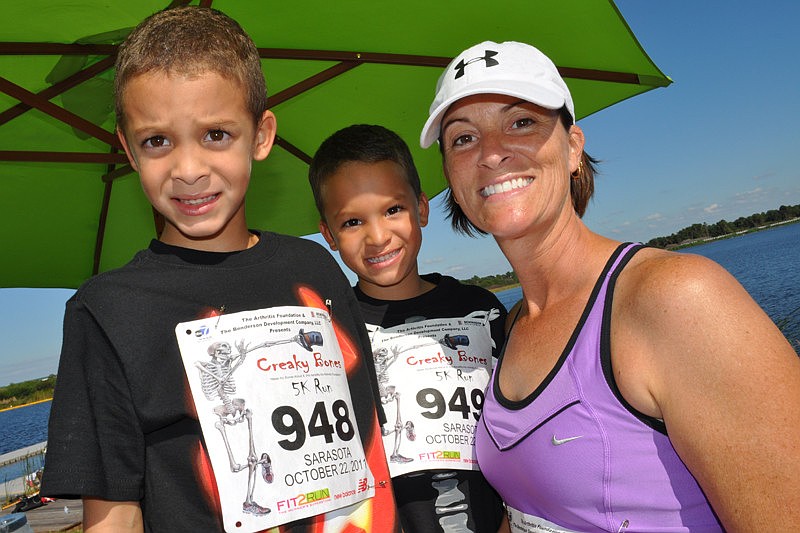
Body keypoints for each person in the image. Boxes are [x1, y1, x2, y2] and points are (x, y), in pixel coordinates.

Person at [40, 7, 400, 532]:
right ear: (128, 150)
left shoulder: (315, 267)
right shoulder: (108, 311)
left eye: (215, 134)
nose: (188, 170)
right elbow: (114, 517)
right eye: (157, 140)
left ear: (261, 135)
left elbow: (371, 435)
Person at [420, 40, 800, 532]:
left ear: (573, 147)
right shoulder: (511, 326)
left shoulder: (676, 299)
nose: (491, 153)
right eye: (463, 138)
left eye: (521, 122)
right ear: (450, 175)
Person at [308, 124, 506, 532]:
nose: (378, 236)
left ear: (422, 208)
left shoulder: (481, 311)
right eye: (352, 222)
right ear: (329, 234)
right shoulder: (331, 334)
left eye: (393, 210)